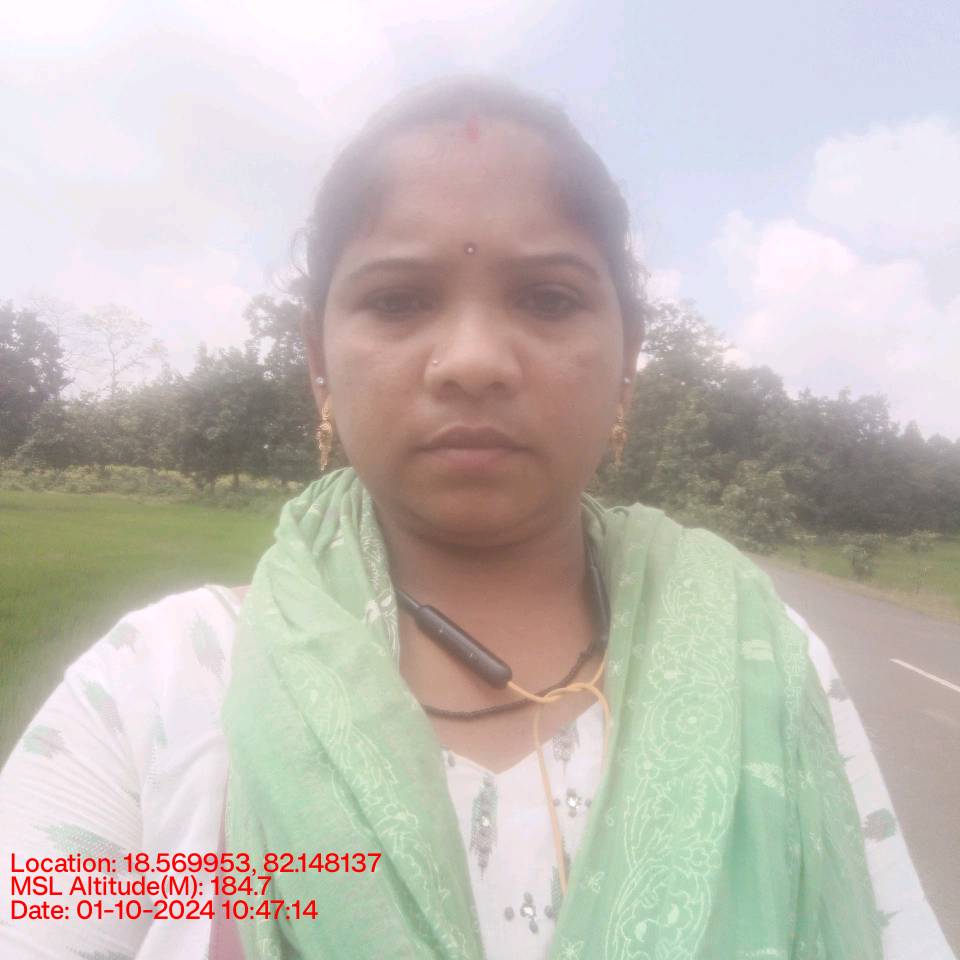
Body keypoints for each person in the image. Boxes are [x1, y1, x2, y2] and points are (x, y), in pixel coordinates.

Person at [0, 76, 953, 960]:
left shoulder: (762, 662)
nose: (472, 361)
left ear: (627, 361)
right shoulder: (161, 688)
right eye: (398, 300)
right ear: (319, 361)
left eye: (547, 298)